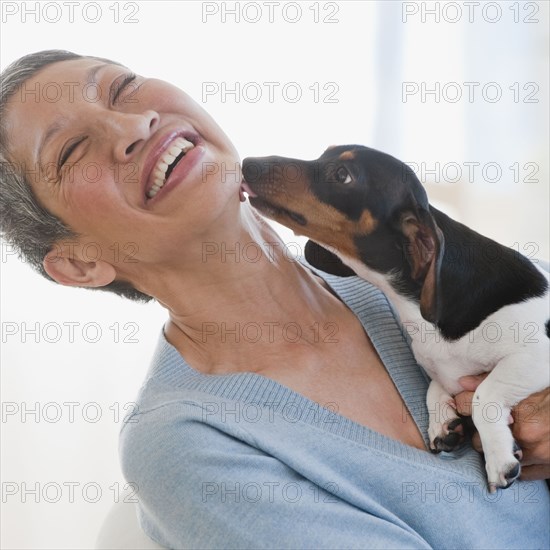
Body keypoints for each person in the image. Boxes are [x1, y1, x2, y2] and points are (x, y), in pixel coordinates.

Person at [1, 50, 548, 549]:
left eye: (122, 87)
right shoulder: (190, 446)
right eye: (71, 150)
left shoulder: (401, 266)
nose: (130, 125)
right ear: (80, 264)